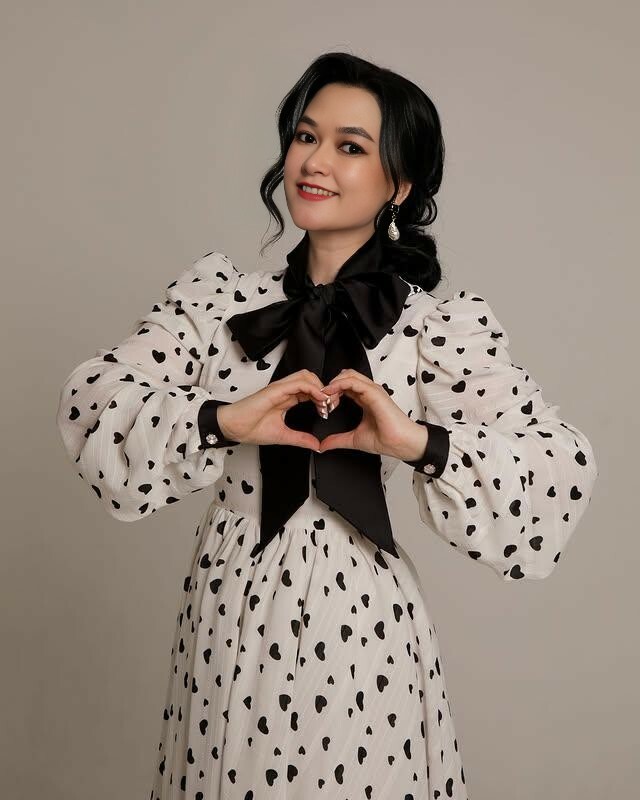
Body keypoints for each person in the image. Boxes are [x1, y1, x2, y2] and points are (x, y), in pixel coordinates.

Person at [56, 52, 598, 800]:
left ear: (399, 185)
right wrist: (221, 421)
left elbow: (555, 471)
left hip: (362, 615)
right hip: (232, 601)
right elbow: (95, 404)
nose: (314, 162)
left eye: (350, 146)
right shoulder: (219, 302)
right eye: (306, 137)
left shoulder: (432, 328)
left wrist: (417, 443)